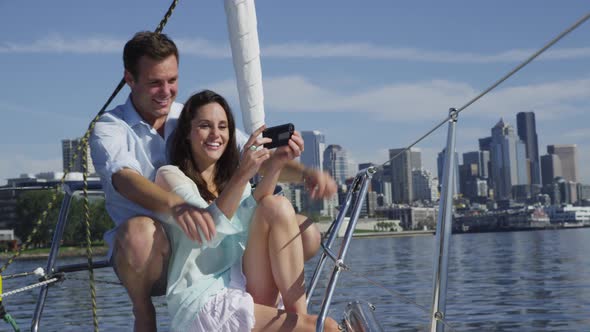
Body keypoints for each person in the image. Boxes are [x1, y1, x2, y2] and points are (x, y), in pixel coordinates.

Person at [89, 31, 337, 331]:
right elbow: (124, 179)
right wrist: (177, 206)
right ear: (130, 79)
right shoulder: (111, 127)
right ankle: (143, 311)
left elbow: (251, 158)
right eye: (155, 82)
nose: (166, 91)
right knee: (140, 233)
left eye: (172, 81)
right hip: (154, 252)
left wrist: (305, 172)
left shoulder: (189, 115)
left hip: (218, 251)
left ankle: (299, 319)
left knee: (303, 231)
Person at [155, 89, 339, 331]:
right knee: (328, 326)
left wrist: (275, 164)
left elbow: (252, 215)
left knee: (276, 205)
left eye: (223, 127)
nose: (215, 134)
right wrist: (243, 174)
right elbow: (207, 229)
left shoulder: (230, 179)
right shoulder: (170, 176)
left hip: (240, 280)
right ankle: (303, 326)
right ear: (188, 134)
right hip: (204, 298)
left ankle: (300, 319)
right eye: (205, 126)